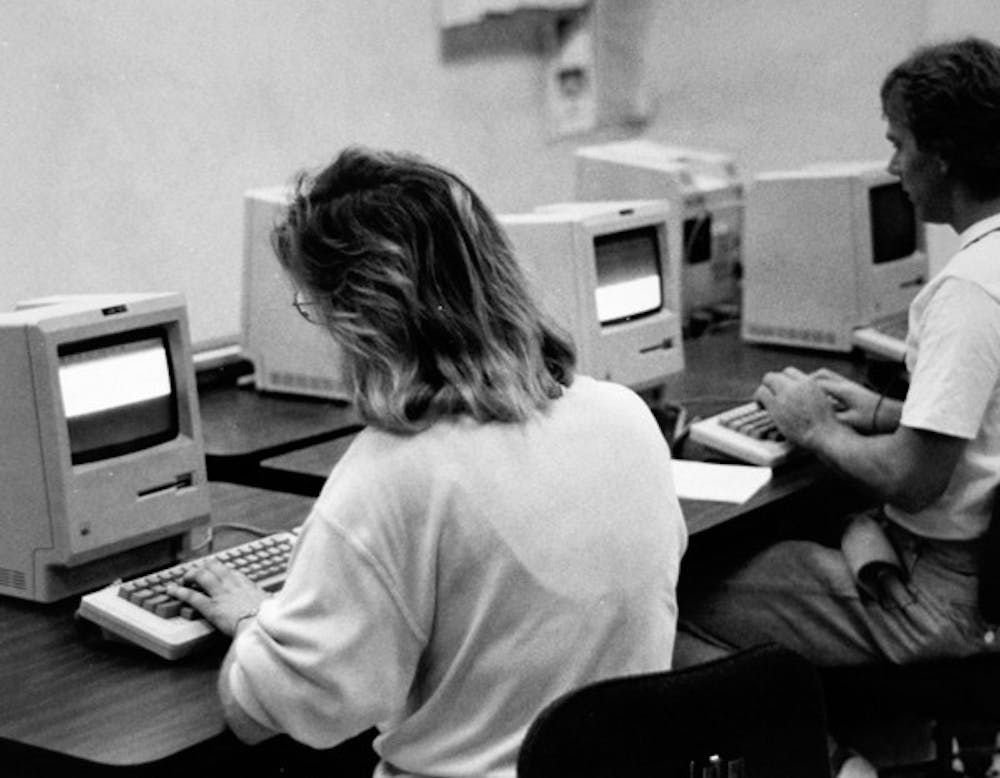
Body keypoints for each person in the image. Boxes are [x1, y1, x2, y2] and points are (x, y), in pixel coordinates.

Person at [167, 146, 688, 777]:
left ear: (358, 317)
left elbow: (266, 713)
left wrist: (257, 623)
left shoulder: (391, 475)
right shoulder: (625, 416)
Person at [673, 35, 1000, 776]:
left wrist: (814, 426)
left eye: (899, 144)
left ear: (941, 156)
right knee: (816, 525)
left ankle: (832, 764)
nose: (893, 167)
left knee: (673, 596)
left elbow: (914, 482)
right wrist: (887, 414)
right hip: (984, 577)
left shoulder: (969, 289)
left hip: (941, 596)